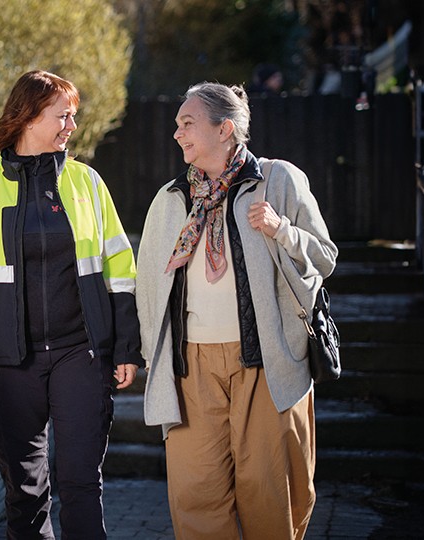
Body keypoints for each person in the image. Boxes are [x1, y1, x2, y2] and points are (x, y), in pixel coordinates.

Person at [134, 82, 337, 539]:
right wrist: (152, 355)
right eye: (177, 125)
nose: (177, 134)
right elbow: (148, 285)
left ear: (224, 129)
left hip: (266, 362)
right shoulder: (170, 199)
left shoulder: (278, 180)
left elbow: (325, 256)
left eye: (188, 123)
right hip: (191, 368)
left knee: (271, 492)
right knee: (196, 495)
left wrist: (281, 229)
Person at [0, 70, 141, 539]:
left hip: (81, 354)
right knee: (25, 491)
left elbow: (119, 267)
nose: (72, 125)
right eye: (63, 116)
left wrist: (126, 348)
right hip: (10, 363)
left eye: (73, 116)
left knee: (80, 483)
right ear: (29, 117)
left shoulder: (88, 184)